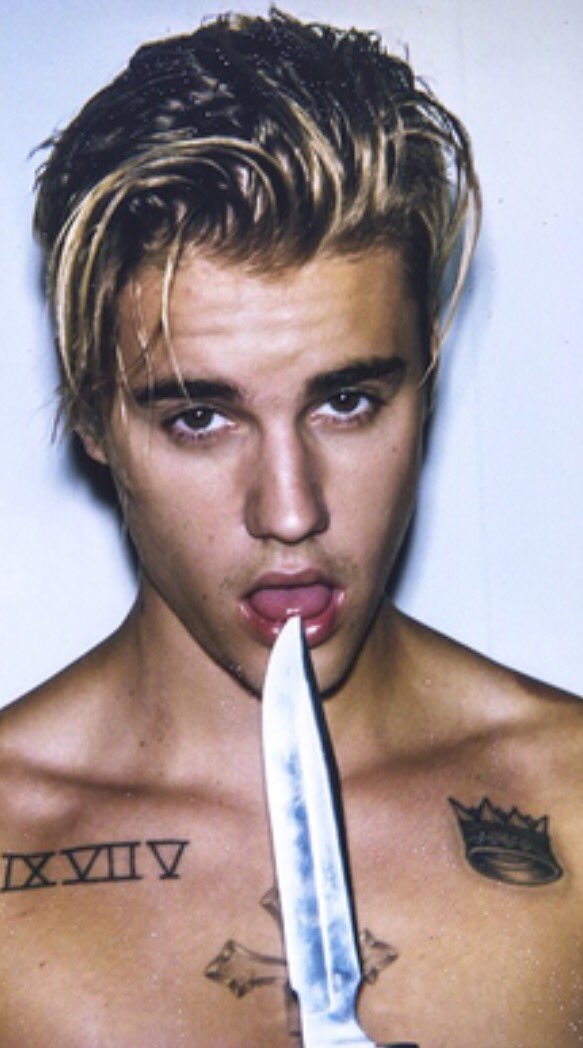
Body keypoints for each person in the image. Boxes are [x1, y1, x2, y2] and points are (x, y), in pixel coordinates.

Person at [1, 8, 581, 1046]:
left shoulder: (572, 803)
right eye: (199, 417)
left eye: (346, 401)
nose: (290, 510)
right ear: (90, 410)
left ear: (426, 373)